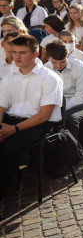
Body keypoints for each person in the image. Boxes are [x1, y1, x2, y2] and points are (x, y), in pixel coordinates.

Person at [0, 34, 64, 197]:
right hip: (12, 119)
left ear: (35, 54)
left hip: (40, 124)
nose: (17, 57)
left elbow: (44, 115)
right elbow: (1, 107)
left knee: (8, 148)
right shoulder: (9, 78)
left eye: (22, 53)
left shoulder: (50, 78)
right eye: (14, 52)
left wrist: (13, 129)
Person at [44, 41, 83, 141]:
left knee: (69, 119)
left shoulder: (80, 67)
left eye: (62, 62)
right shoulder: (46, 68)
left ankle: (72, 149)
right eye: (54, 62)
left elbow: (82, 96)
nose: (58, 66)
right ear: (49, 58)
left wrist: (60, 109)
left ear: (68, 55)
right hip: (58, 103)